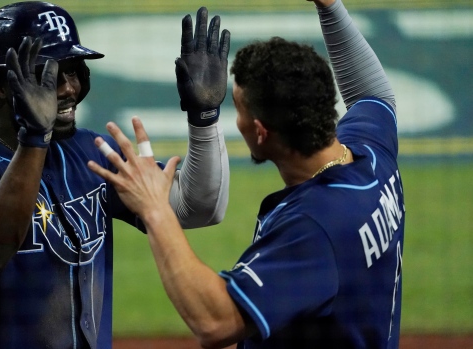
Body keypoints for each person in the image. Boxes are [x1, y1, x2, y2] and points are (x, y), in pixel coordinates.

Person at [87, 0, 404, 348]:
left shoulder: (314, 227)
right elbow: (373, 93)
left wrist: (154, 209)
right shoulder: (371, 156)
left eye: (236, 108)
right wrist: (329, 6)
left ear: (260, 132)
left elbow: (216, 321)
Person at [0, 2, 230, 348]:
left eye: (74, 72)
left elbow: (197, 208)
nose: (68, 88)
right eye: (49, 75)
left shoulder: (88, 151)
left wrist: (204, 117)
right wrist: (34, 140)